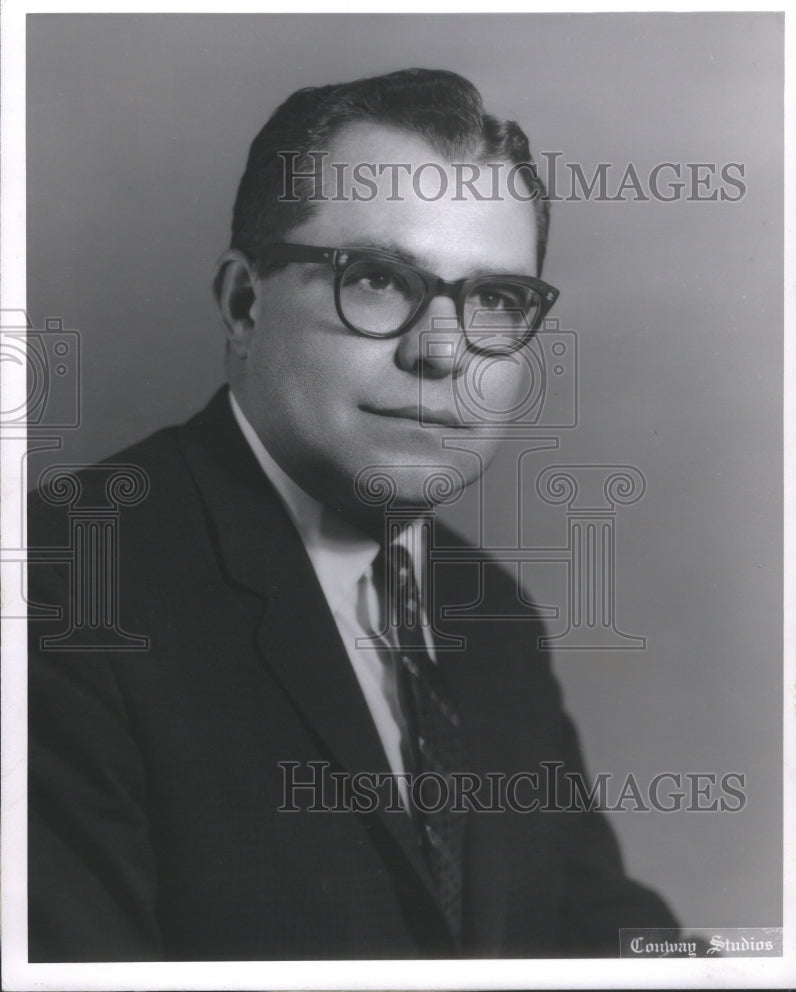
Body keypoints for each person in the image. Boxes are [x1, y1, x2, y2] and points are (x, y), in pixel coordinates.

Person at [27, 68, 677, 962]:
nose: (442, 351)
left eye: (493, 299)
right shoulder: (58, 588)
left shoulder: (489, 615)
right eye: (376, 279)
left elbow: (603, 941)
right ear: (243, 303)